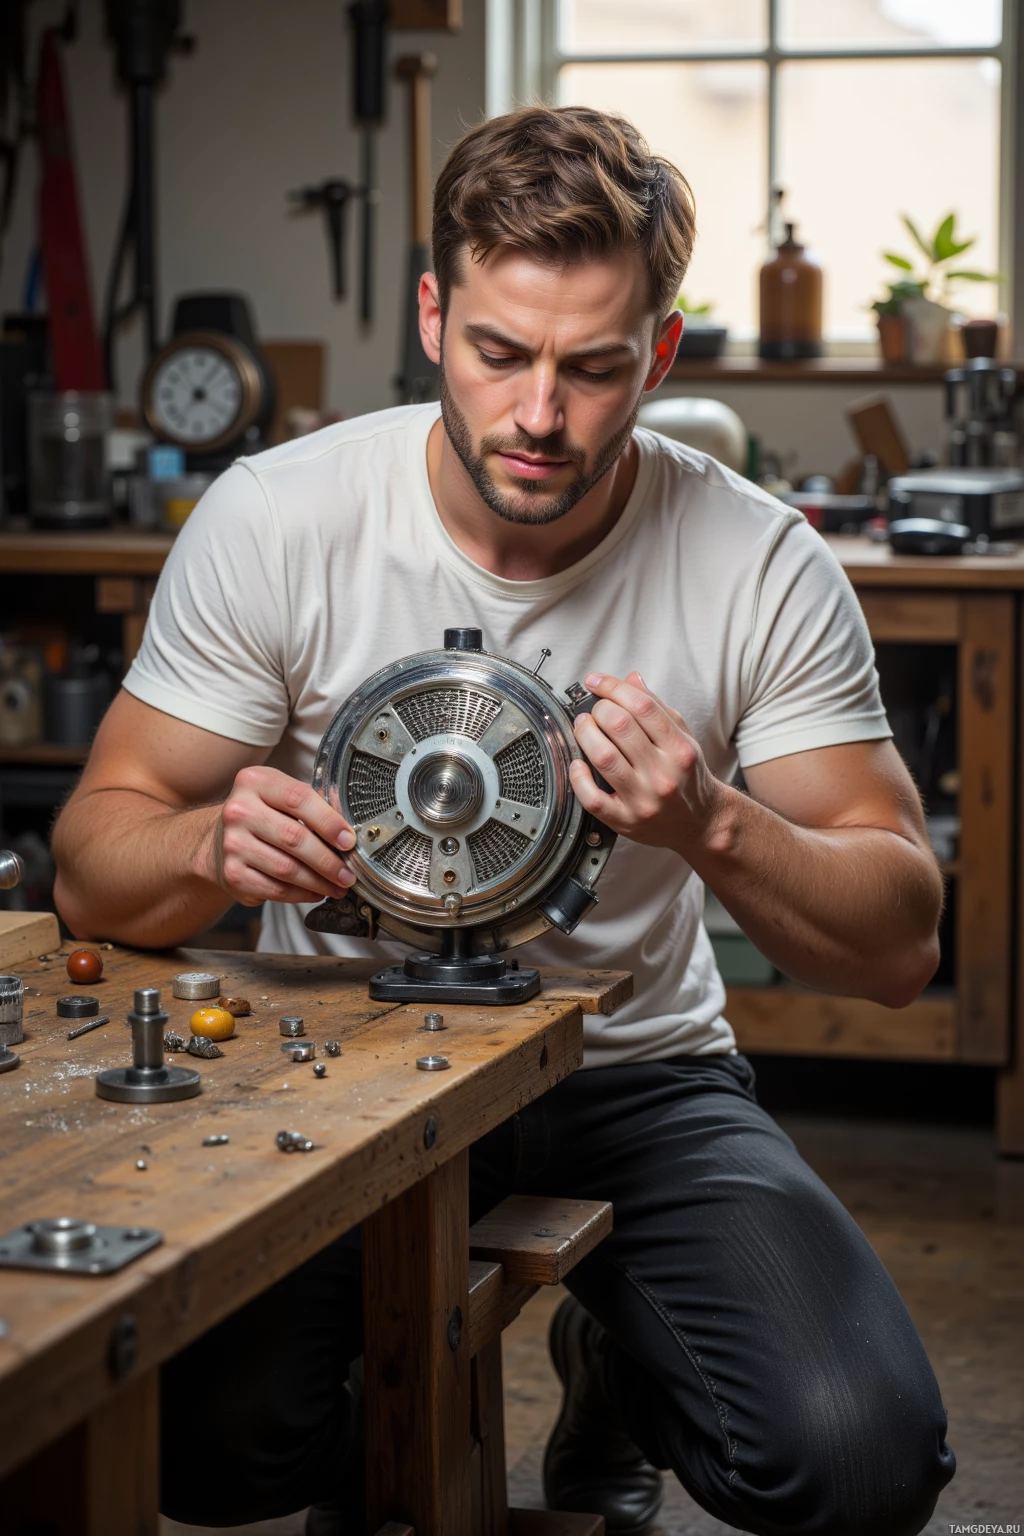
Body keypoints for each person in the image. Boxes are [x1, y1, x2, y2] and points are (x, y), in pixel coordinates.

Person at [53, 106, 955, 1534]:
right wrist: (205, 845)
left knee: (859, 1465)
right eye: (499, 353)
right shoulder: (280, 519)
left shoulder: (758, 560)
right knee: (193, 1447)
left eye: (596, 369)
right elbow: (96, 862)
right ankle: (379, 1426)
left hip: (633, 1073)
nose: (540, 415)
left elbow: (902, 939)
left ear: (660, 353)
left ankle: (627, 1362)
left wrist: (714, 824)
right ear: (432, 314)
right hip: (335, 1073)